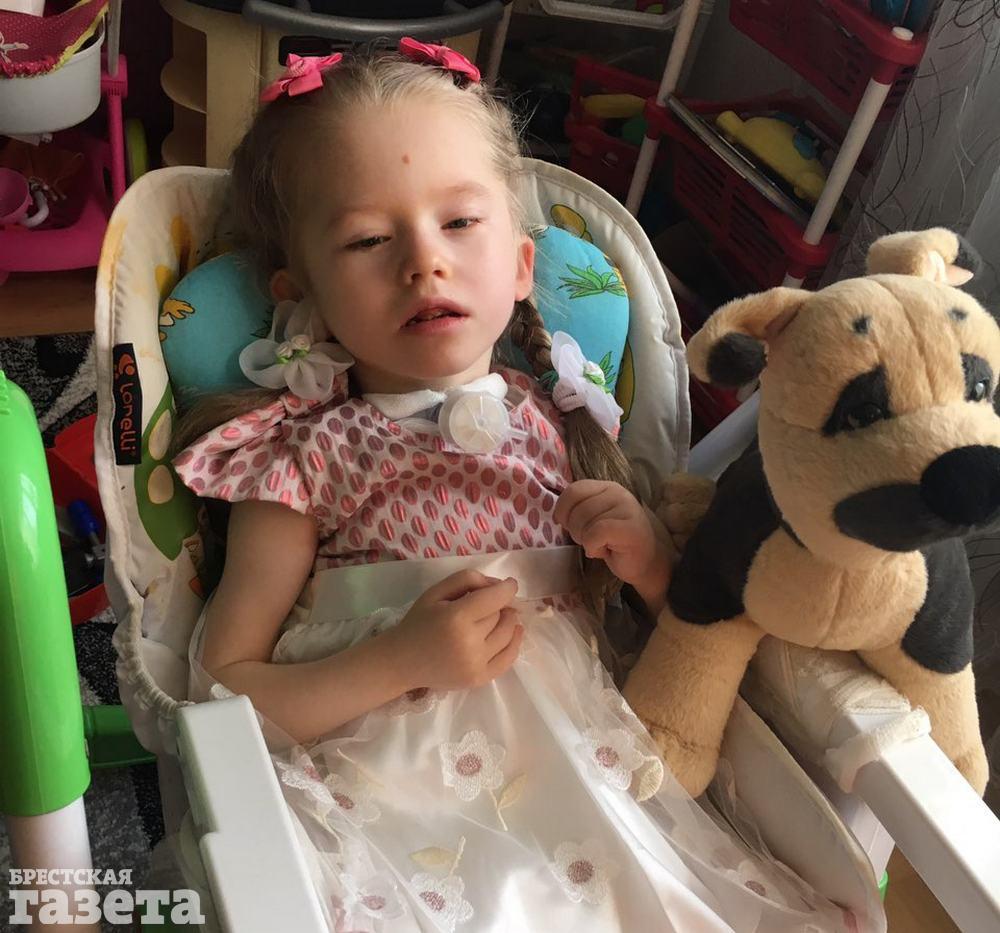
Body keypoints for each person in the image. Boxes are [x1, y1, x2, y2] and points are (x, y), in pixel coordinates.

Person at [170, 40, 875, 933]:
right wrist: (398, 661)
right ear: (298, 291)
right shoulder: (298, 455)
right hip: (395, 800)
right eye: (368, 239)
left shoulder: (564, 420)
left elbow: (683, 646)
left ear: (520, 266)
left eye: (460, 222)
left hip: (594, 783)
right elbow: (221, 692)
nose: (423, 262)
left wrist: (652, 567)